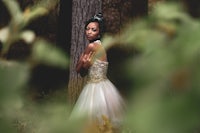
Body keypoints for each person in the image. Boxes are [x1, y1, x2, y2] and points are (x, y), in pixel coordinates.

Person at [70, 13, 125, 132]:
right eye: (87, 29)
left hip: (95, 86)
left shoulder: (92, 46)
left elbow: (79, 69)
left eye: (93, 30)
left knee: (91, 118)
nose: (89, 32)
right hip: (104, 85)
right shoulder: (100, 45)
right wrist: (83, 63)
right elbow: (82, 69)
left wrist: (82, 61)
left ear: (99, 33)